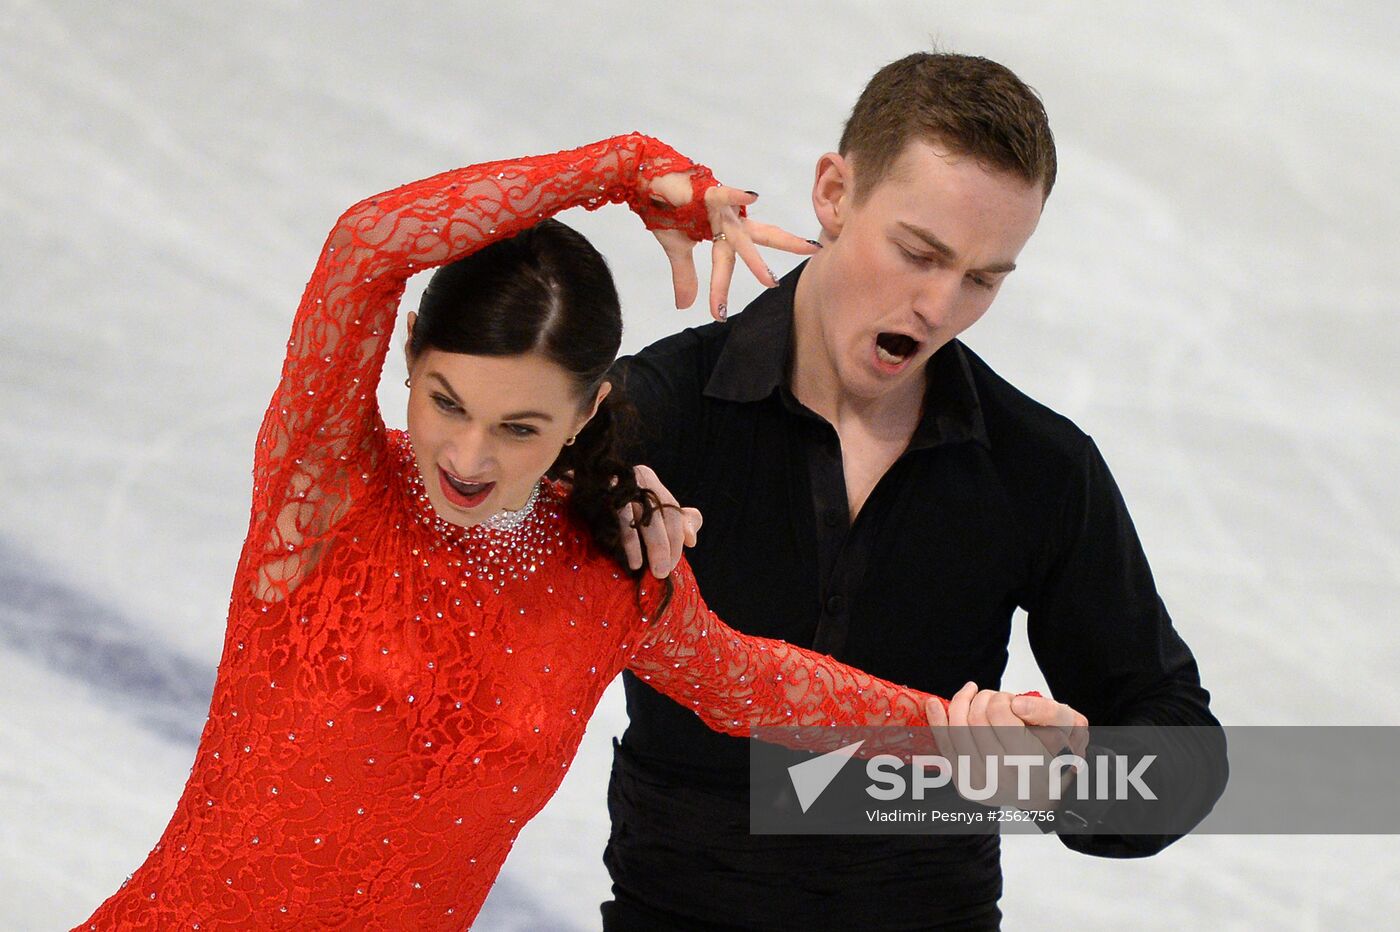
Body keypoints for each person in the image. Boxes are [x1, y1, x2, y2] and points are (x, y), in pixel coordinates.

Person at [71, 132, 1051, 931]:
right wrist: (619, 169)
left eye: (519, 427)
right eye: (445, 401)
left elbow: (756, 683)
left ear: (583, 415)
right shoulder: (324, 491)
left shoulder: (607, 575)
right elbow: (365, 245)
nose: (466, 452)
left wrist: (952, 728)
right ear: (406, 362)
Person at [602, 52, 1227, 930]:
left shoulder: (1037, 467)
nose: (937, 306)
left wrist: (1065, 772)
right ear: (833, 193)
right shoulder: (662, 412)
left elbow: (1185, 747)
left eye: (981, 279)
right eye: (917, 252)